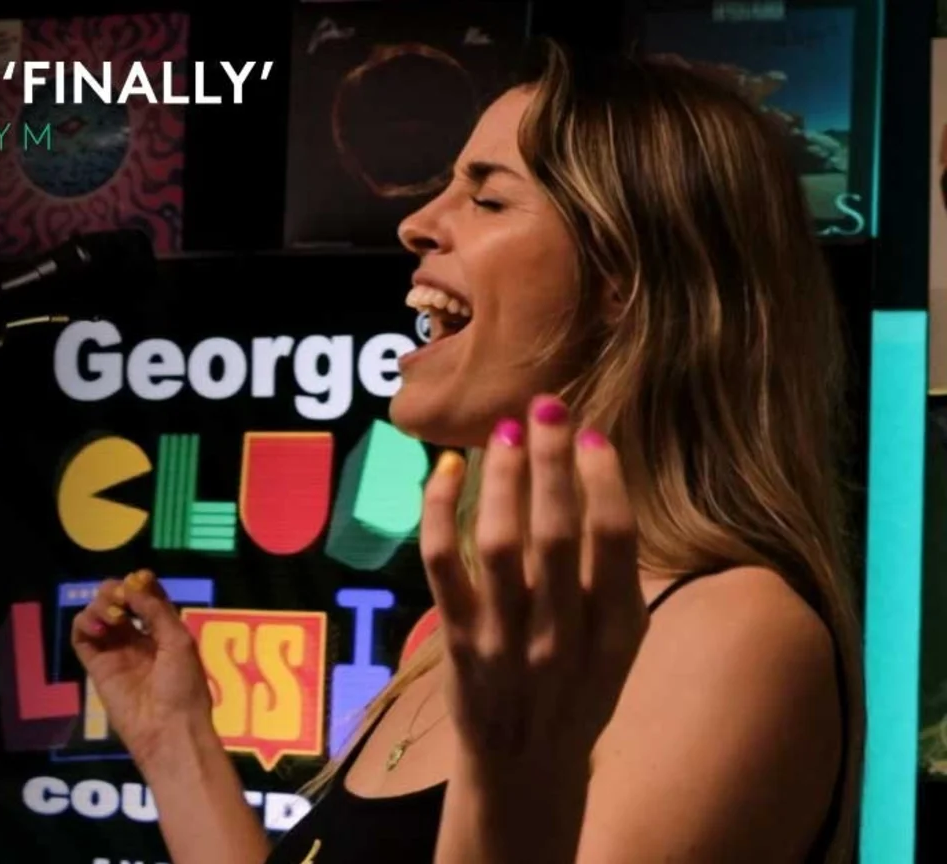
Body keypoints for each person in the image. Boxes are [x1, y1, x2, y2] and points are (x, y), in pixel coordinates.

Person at [71, 38, 861, 864]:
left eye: (488, 199)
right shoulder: (455, 639)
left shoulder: (734, 634)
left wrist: (504, 776)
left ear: (626, 276)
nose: (415, 224)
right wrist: (175, 743)